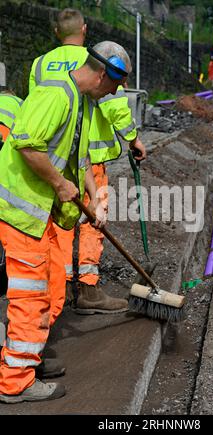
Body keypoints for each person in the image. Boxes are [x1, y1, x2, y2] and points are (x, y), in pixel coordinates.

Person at [0, 40, 131, 403]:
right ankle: (15, 383)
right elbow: (26, 144)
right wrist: (59, 183)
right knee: (29, 297)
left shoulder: (84, 103)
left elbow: (84, 159)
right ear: (103, 73)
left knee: (43, 291)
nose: (118, 91)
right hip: (21, 213)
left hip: (39, 215)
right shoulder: (56, 94)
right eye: (117, 83)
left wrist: (94, 199)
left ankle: (26, 361)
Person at [30, 8, 146, 313]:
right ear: (84, 29)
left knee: (61, 221)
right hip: (88, 157)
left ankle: (61, 284)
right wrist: (132, 138)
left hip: (53, 158)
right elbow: (115, 105)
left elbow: (35, 111)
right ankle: (88, 288)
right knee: (95, 219)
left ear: (56, 33)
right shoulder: (94, 62)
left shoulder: (40, 64)